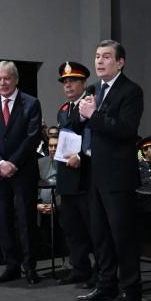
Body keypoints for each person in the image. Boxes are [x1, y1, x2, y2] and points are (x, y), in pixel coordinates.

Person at [76, 40, 144, 301]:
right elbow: (76, 124)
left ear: (120, 62)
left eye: (106, 57)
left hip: (118, 175)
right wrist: (83, 115)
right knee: (100, 234)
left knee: (122, 234)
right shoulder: (93, 90)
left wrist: (93, 115)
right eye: (97, 57)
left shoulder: (131, 91)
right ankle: (105, 284)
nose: (99, 61)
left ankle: (130, 288)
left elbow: (126, 129)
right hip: (95, 173)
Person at [0, 60, 43, 286]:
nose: (3, 83)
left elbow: (33, 136)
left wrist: (13, 163)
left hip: (23, 171)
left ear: (15, 79)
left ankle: (30, 267)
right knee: (3, 221)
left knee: (25, 220)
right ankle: (11, 265)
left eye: (7, 78)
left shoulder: (31, 103)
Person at [53, 61, 96, 287]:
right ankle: (80, 268)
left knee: (93, 227)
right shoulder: (64, 110)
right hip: (67, 175)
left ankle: (102, 271)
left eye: (73, 81)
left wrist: (81, 156)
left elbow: (91, 135)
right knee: (72, 228)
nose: (68, 85)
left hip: (86, 173)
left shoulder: (90, 105)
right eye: (65, 82)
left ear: (83, 83)